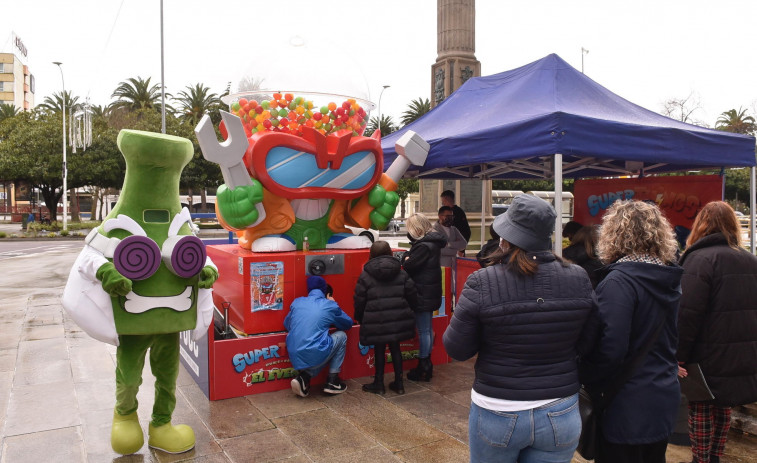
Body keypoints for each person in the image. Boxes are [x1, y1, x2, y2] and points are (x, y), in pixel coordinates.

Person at [443, 194, 595, 463]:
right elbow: (590, 340)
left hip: (498, 409)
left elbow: (457, 348)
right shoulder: (578, 277)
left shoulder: (483, 281)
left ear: (506, 237)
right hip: (560, 407)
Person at [581, 200, 683, 463]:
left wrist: (586, 377)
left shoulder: (619, 282)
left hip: (626, 404)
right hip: (662, 395)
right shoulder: (668, 277)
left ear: (614, 234)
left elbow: (611, 348)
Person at [676, 201, 757, 463]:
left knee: (700, 406)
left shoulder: (699, 259)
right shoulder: (750, 259)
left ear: (701, 224)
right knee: (723, 405)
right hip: (740, 351)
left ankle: (701, 459)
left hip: (705, 352)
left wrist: (678, 354)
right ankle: (714, 458)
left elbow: (687, 313)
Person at [354, 241, 418, 395]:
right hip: (398, 319)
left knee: (379, 349)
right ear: (390, 253)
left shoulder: (365, 275)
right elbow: (412, 295)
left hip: (376, 320)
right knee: (395, 348)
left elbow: (359, 300)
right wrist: (410, 310)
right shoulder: (401, 273)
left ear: (372, 254)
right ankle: (399, 383)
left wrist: (360, 318)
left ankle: (379, 383)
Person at [285, 275, 353, 397]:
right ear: (325, 290)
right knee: (341, 336)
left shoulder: (297, 302)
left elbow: (287, 324)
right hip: (313, 353)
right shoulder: (329, 305)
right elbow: (347, 323)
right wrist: (333, 304)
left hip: (294, 355)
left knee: (317, 348)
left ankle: (304, 378)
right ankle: (332, 381)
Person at [400, 213, 446, 382]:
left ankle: (424, 364)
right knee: (426, 329)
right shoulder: (432, 244)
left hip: (422, 292)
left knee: (424, 330)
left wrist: (405, 257)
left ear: (416, 228)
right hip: (429, 291)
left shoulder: (423, 246)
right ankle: (425, 363)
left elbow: (409, 265)